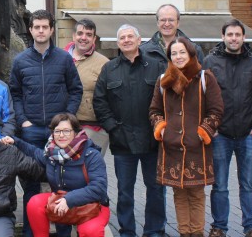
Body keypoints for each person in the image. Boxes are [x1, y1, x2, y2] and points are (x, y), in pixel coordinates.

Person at [9, 9, 83, 236]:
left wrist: (66, 121)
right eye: (36, 27)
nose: (41, 31)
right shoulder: (20, 61)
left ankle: (63, 232)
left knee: (61, 186)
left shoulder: (64, 59)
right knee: (31, 184)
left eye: (45, 27)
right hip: (30, 131)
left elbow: (75, 90)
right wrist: (22, 121)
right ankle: (31, 232)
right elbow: (15, 94)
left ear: (51, 29)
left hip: (59, 133)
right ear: (30, 30)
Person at [93, 24, 167, 237]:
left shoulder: (157, 66)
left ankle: (154, 230)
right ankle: (127, 231)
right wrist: (112, 128)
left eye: (130, 37)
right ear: (118, 43)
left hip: (153, 141)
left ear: (139, 40)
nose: (126, 40)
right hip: (122, 141)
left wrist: (162, 127)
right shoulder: (110, 69)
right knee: (124, 192)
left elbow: (168, 99)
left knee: (156, 190)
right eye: (122, 38)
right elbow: (100, 101)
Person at [150, 37, 223, 237]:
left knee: (197, 194)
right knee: (179, 194)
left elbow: (216, 110)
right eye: (174, 53)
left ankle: (197, 232)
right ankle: (184, 232)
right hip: (171, 147)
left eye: (182, 52)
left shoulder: (205, 78)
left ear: (191, 53)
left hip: (196, 147)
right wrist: (161, 128)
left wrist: (202, 132)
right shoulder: (164, 80)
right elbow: (154, 110)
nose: (178, 56)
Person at [203, 19, 252, 237]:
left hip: (249, 133)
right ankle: (219, 226)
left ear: (244, 37)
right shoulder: (210, 61)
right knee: (219, 185)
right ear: (223, 37)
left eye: (237, 35)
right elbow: (203, 97)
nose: (234, 38)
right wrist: (211, 126)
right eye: (230, 35)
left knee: (248, 184)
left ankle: (251, 227)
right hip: (221, 134)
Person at [2, 113, 110, 237]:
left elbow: (99, 188)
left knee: (90, 230)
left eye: (66, 131)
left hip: (91, 206)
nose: (61, 135)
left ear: (76, 132)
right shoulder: (52, 155)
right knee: (34, 203)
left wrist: (69, 199)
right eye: (57, 131)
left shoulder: (91, 155)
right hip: (61, 204)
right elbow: (34, 151)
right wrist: (15, 141)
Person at [64, 19, 110, 154]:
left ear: (94, 38)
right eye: (80, 33)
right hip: (64, 126)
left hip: (94, 128)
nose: (83, 38)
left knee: (91, 170)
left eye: (89, 34)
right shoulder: (59, 57)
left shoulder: (104, 64)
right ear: (73, 36)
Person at [140, 4, 204, 78]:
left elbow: (201, 81)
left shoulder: (194, 50)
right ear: (157, 23)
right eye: (163, 20)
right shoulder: (143, 51)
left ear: (178, 23)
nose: (167, 24)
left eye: (171, 20)